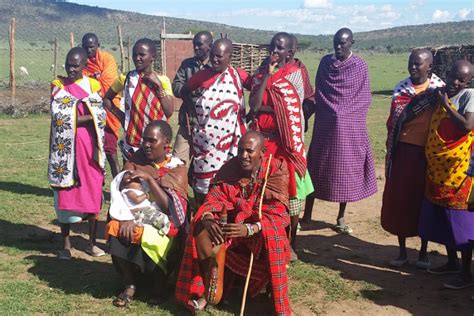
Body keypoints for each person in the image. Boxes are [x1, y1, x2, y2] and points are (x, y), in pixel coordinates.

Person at [175, 131, 292, 315]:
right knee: (200, 228)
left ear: (262, 152)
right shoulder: (230, 168)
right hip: (231, 231)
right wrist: (207, 218)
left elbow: (280, 214)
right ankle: (211, 286)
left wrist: (250, 228)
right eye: (240, 151)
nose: (243, 156)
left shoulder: (275, 170)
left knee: (274, 236)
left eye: (249, 151)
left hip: (259, 234)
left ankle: (264, 294)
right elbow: (213, 199)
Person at [106, 120, 188, 307]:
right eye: (144, 140)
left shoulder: (177, 168)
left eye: (152, 141)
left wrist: (150, 180)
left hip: (163, 221)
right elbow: (122, 194)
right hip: (132, 215)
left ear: (166, 142)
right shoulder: (134, 161)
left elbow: (171, 208)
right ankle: (130, 283)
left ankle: (159, 283)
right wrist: (127, 217)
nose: (146, 145)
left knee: (152, 235)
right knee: (114, 227)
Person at [303, 28, 377, 234]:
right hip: (325, 122)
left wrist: (345, 115)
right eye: (336, 42)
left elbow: (364, 97)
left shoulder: (360, 65)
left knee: (345, 167)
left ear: (352, 42)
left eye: (343, 43)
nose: (339, 46)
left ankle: (341, 216)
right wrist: (331, 112)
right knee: (316, 165)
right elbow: (319, 90)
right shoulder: (325, 63)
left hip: (349, 126)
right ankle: (307, 213)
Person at [249, 32, 314, 261]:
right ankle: (263, 240)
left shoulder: (295, 75)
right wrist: (267, 76)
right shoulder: (260, 74)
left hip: (285, 143)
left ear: (290, 52)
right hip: (262, 141)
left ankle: (291, 244)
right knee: (261, 192)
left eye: (280, 48)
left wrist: (265, 109)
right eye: (272, 47)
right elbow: (254, 105)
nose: (274, 51)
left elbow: (290, 110)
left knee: (291, 195)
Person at [381, 49, 445, 268]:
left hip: (429, 155)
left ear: (430, 67)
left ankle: (424, 253)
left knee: (423, 201)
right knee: (401, 201)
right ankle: (401, 252)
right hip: (403, 153)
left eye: (418, 64)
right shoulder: (401, 89)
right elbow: (393, 123)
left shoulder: (439, 92)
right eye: (411, 63)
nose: (413, 67)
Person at [418, 60, 474, 289]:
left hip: (459, 173)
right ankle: (451, 262)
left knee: (461, 224)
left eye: (462, 79)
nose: (455, 82)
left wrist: (446, 105)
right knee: (442, 219)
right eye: (453, 76)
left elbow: (467, 126)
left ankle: (466, 273)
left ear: (469, 81)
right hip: (438, 171)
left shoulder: (469, 95)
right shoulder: (441, 92)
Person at [48, 47, 107, 259]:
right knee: (65, 193)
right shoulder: (58, 86)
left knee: (92, 191)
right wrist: (88, 116)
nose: (71, 69)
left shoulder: (93, 85)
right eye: (68, 64)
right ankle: (66, 245)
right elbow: (59, 117)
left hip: (90, 147)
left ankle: (91, 243)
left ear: (85, 66)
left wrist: (85, 115)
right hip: (66, 151)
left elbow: (101, 114)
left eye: (75, 65)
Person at [186, 38, 250, 207]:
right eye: (212, 55)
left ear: (229, 57)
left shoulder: (237, 75)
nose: (214, 59)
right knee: (202, 188)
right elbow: (184, 91)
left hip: (231, 143)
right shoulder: (202, 75)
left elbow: (258, 88)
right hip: (205, 141)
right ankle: (201, 217)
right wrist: (193, 109)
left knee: (230, 185)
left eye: (219, 56)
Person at [103, 38, 174, 161]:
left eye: (142, 55)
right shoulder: (126, 77)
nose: (137, 58)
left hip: (155, 143)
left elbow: (169, 111)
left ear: (152, 57)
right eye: (135, 55)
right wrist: (122, 117)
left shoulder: (163, 80)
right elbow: (107, 99)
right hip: (132, 142)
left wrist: (158, 86)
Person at [82, 33, 122, 177]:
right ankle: (95, 189)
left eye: (91, 47)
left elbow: (109, 84)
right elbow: (81, 87)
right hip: (90, 113)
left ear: (98, 46)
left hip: (109, 110)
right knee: (91, 155)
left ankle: (118, 189)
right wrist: (95, 79)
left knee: (111, 154)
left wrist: (92, 81)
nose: (88, 50)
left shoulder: (107, 59)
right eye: (85, 47)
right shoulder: (82, 63)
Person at [172, 31, 213, 166]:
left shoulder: (216, 66)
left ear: (210, 46)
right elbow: (176, 87)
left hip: (210, 125)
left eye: (200, 45)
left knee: (205, 165)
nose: (196, 48)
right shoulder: (187, 65)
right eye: (194, 44)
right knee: (177, 163)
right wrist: (189, 91)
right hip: (188, 122)